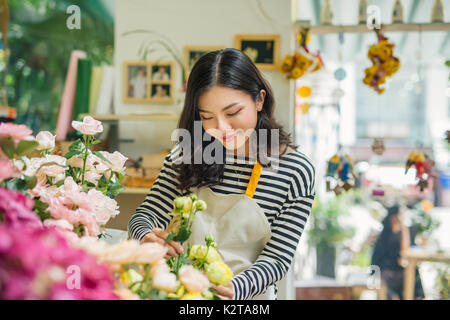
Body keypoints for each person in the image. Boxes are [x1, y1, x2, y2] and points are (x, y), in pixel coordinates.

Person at [128, 48, 316, 300]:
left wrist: (234, 289)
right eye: (207, 117)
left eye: (233, 113)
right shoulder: (186, 155)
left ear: (259, 100)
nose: (222, 128)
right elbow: (144, 217)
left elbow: (277, 258)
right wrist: (147, 236)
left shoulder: (295, 171)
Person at [371, 204, 425, 300]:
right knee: (403, 277)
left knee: (413, 272)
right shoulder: (384, 234)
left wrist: (404, 228)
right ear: (393, 216)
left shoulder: (405, 231)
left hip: (398, 267)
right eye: (401, 214)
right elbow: (379, 258)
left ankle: (416, 297)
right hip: (385, 269)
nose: (403, 217)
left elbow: (405, 250)